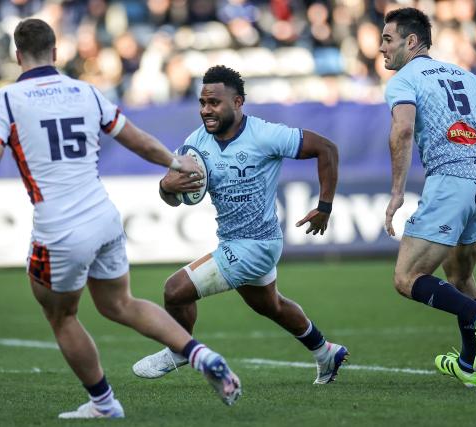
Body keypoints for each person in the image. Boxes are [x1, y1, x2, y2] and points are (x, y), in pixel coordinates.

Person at [0, 19, 241, 418]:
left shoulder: (5, 101)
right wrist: (174, 161)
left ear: (17, 56)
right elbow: (137, 140)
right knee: (121, 303)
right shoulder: (86, 92)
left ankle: (103, 403)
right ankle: (200, 355)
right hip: (104, 217)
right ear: (57, 52)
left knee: (62, 315)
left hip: (59, 228)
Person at [132, 65, 349, 385]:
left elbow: (326, 148)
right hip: (233, 241)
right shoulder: (195, 144)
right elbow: (174, 198)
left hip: (258, 244)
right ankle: (324, 352)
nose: (206, 110)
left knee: (175, 291)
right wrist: (167, 187)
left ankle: (179, 349)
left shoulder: (264, 134)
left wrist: (325, 206)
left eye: (214, 103)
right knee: (270, 305)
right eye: (203, 102)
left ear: (237, 102)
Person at [380, 8, 476, 387]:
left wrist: (396, 193)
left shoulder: (404, 80)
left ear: (411, 41)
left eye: (388, 40)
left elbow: (403, 131)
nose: (381, 48)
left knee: (407, 277)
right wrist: (475, 149)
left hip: (450, 183)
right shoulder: (465, 75)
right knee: (460, 276)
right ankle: (469, 366)